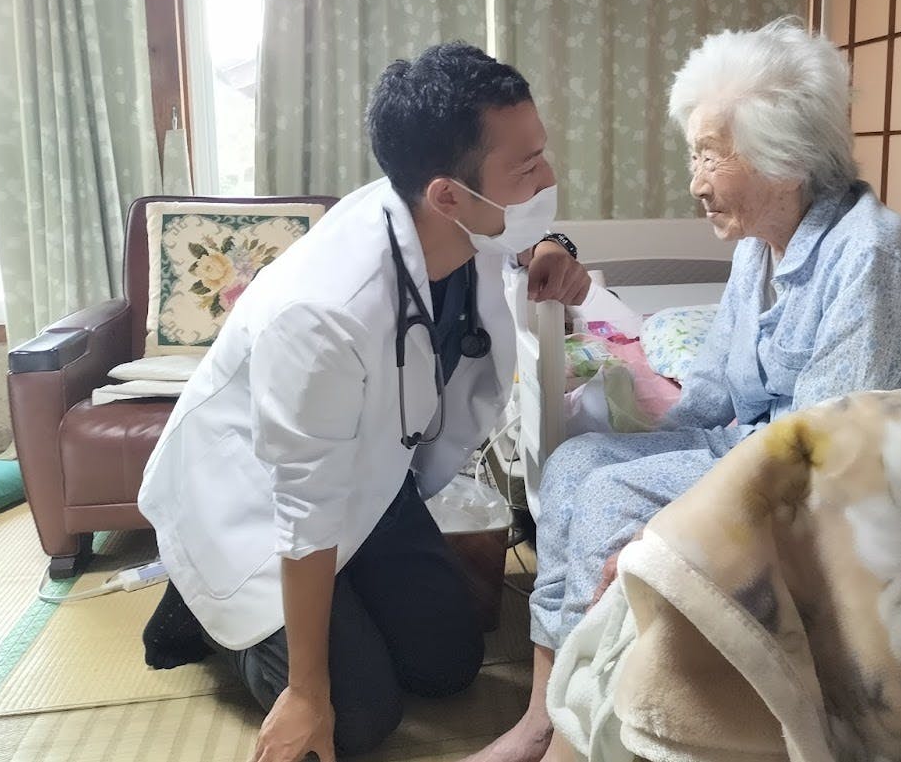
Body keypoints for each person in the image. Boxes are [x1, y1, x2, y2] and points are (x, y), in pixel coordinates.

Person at [465, 17, 901, 762]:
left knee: (611, 497)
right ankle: (544, 713)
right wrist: (641, 445)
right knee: (579, 464)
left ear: (784, 158)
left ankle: (578, 739)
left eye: (709, 155)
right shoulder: (757, 248)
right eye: (694, 154)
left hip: (862, 473)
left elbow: (818, 443)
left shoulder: (870, 251)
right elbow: (712, 391)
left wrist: (665, 519)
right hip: (760, 442)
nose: (694, 182)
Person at [137, 42, 590, 762]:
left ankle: (336, 606)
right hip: (257, 501)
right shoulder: (321, 311)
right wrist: (305, 692)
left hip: (369, 481)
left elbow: (507, 237)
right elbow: (304, 507)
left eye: (542, 155)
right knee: (354, 718)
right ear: (448, 194)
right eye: (528, 166)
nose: (550, 177)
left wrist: (549, 247)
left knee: (448, 664)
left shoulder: (445, 217)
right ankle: (202, 601)